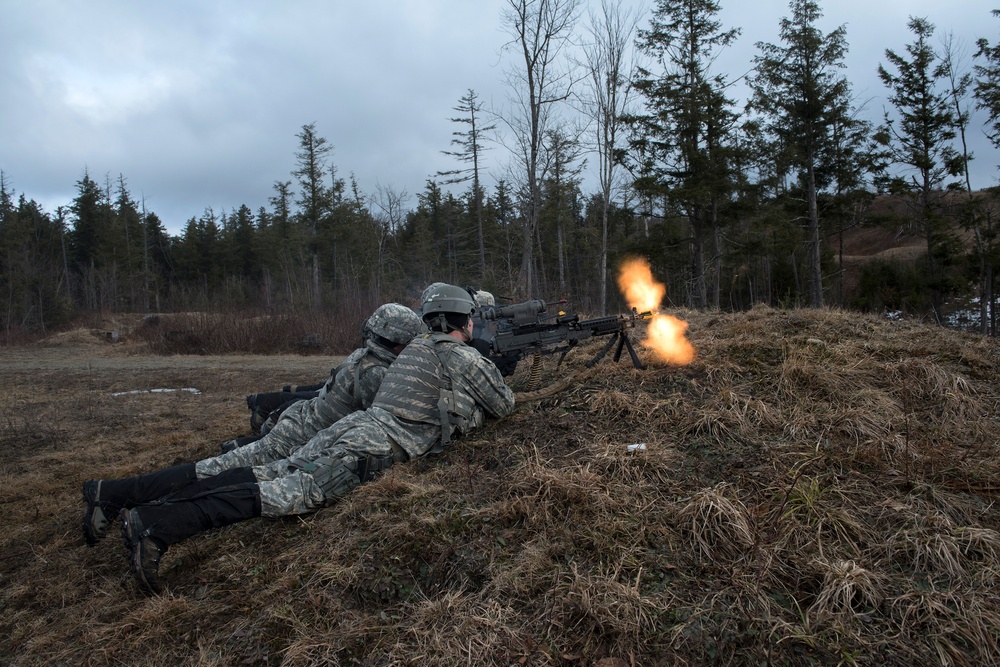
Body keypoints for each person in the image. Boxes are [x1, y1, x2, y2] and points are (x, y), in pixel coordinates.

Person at [114, 283, 515, 594]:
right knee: (283, 493)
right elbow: (504, 404)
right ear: (464, 319)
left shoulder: (417, 347)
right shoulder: (461, 356)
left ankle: (151, 511)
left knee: (272, 472)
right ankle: (157, 526)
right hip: (369, 447)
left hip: (354, 428)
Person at [81, 302, 424, 546]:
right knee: (212, 472)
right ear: (399, 341)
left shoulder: (365, 355)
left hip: (295, 425)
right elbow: (382, 420)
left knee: (217, 469)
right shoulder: (377, 372)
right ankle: (118, 496)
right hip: (291, 439)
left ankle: (128, 501)